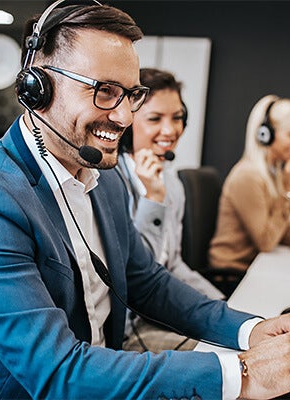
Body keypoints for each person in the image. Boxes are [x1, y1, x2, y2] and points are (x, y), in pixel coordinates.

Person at [0, 2, 290, 400]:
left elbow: (147, 283)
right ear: (37, 87)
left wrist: (249, 330)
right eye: (105, 92)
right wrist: (245, 373)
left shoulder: (102, 179)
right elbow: (59, 372)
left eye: (131, 94)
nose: (125, 117)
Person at [118, 68, 225, 353]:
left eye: (177, 117)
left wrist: (223, 305)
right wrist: (152, 198)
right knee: (227, 357)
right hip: (129, 330)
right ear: (127, 123)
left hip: (162, 312)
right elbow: (134, 276)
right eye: (155, 119)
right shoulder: (109, 181)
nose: (170, 130)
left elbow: (173, 264)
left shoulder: (172, 182)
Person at [209, 95, 290, 271]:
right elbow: (266, 242)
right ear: (266, 135)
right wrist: (289, 192)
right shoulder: (248, 176)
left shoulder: (274, 174)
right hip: (231, 272)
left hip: (254, 267)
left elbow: (280, 233)